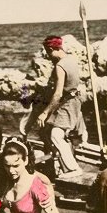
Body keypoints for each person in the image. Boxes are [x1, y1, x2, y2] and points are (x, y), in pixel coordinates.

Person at [36, 35, 84, 179]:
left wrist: (44, 113)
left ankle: (73, 168)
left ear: (51, 49)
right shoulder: (71, 60)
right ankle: (61, 163)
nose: (47, 55)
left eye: (47, 51)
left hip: (67, 103)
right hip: (75, 100)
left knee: (55, 135)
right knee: (51, 131)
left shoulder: (60, 66)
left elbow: (57, 94)